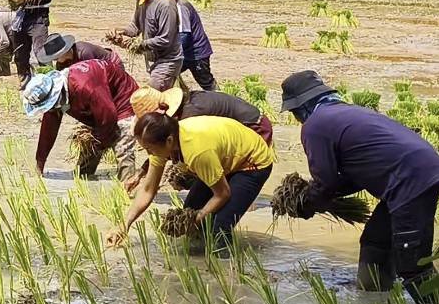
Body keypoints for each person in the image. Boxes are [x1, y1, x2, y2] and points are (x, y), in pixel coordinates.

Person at [281, 70, 439, 304]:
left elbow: (326, 183)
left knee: (413, 264)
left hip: (409, 181)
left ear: (300, 108)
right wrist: (323, 198)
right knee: (376, 241)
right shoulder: (348, 112)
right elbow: (357, 177)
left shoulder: (316, 125)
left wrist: (306, 204)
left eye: (294, 112)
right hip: (418, 172)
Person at [106, 111, 275, 251]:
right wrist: (124, 225)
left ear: (169, 141)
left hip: (252, 163)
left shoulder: (197, 151)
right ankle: (199, 257)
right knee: (188, 212)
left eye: (149, 149)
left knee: (218, 229)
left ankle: (224, 269)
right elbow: (148, 190)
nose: (149, 153)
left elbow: (222, 194)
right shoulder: (160, 146)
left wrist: (198, 218)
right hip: (223, 159)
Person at [23, 59, 140, 181]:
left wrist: (99, 141)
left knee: (122, 147)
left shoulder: (85, 87)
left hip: (124, 101)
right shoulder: (56, 97)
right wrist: (40, 162)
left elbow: (109, 117)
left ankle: (130, 188)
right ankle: (84, 178)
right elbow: (48, 130)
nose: (50, 110)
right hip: (102, 107)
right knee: (86, 161)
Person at [106, 0, 182, 91]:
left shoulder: (165, 3)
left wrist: (137, 44)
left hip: (167, 60)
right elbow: (135, 28)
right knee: (162, 100)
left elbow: (165, 40)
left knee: (150, 98)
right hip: (152, 58)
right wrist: (119, 31)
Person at [131, 86, 272, 145]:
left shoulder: (191, 117)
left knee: (240, 172)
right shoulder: (184, 109)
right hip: (236, 126)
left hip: (254, 126)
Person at [163, 0, 215, 90]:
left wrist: (170, 53)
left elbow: (184, 35)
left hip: (196, 53)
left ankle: (223, 103)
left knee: (207, 83)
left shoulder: (180, 7)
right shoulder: (170, 6)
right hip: (185, 52)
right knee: (166, 75)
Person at [36, 33, 124, 72]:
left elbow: (94, 76)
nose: (55, 60)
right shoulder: (61, 63)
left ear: (64, 52)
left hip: (111, 66)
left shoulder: (84, 53)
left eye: (56, 58)